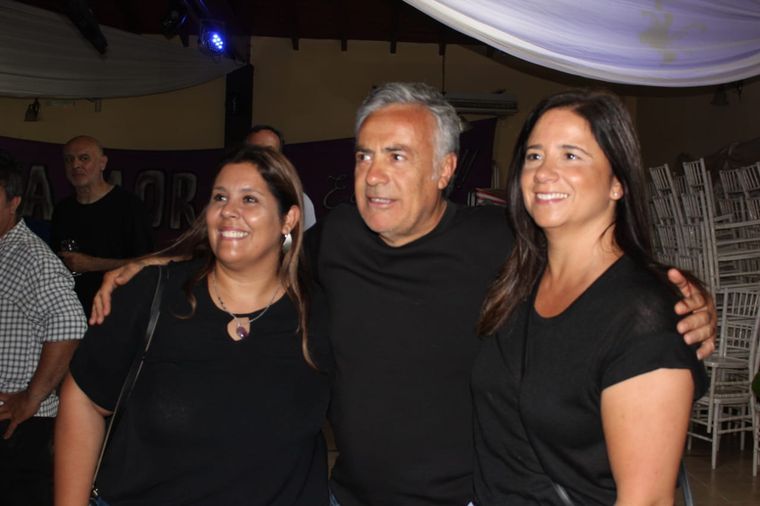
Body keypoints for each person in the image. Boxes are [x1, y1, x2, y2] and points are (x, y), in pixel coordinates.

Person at [91, 83, 716, 506]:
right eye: (365, 156)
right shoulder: (337, 237)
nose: (375, 175)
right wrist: (149, 263)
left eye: (397, 156)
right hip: (348, 495)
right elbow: (252, 246)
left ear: (445, 170)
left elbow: (601, 276)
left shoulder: (503, 242)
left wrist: (679, 296)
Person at [54, 146, 331, 505]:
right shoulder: (152, 293)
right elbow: (84, 399)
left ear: (288, 220)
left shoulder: (320, 312)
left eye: (249, 199)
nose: (228, 210)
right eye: (219, 197)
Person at [473, 89, 708, 505]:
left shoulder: (644, 315)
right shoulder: (516, 280)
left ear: (617, 183)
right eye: (534, 156)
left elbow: (647, 499)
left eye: (571, 155)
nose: (544, 173)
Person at [0, 150, 86, 506]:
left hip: (18, 427)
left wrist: (32, 397)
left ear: (14, 202)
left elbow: (70, 325)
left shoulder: (32, 257)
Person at [51, 135, 154, 316]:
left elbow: (147, 264)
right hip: (70, 311)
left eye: (84, 158)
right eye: (69, 159)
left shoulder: (129, 206)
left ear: (102, 163)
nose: (75, 165)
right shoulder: (63, 210)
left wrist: (93, 264)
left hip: (117, 311)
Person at [246, 124, 317, 230]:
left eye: (270, 151)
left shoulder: (299, 200)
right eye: (255, 151)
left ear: (280, 158)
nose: (261, 157)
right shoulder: (231, 196)